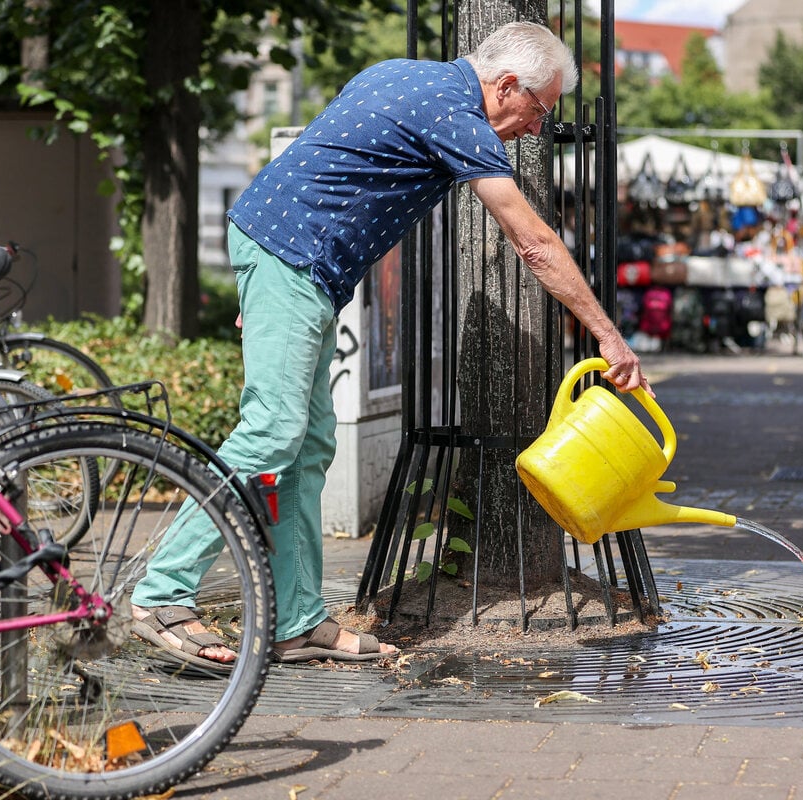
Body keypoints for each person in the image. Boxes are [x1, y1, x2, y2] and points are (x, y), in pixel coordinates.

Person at [128, 22, 650, 668]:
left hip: (291, 259)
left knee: (309, 442)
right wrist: (607, 333)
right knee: (272, 432)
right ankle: (162, 590)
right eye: (539, 110)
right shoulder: (457, 116)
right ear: (506, 86)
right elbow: (534, 243)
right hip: (292, 259)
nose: (537, 129)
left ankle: (293, 621)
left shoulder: (403, 75)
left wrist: (258, 276)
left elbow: (324, 159)